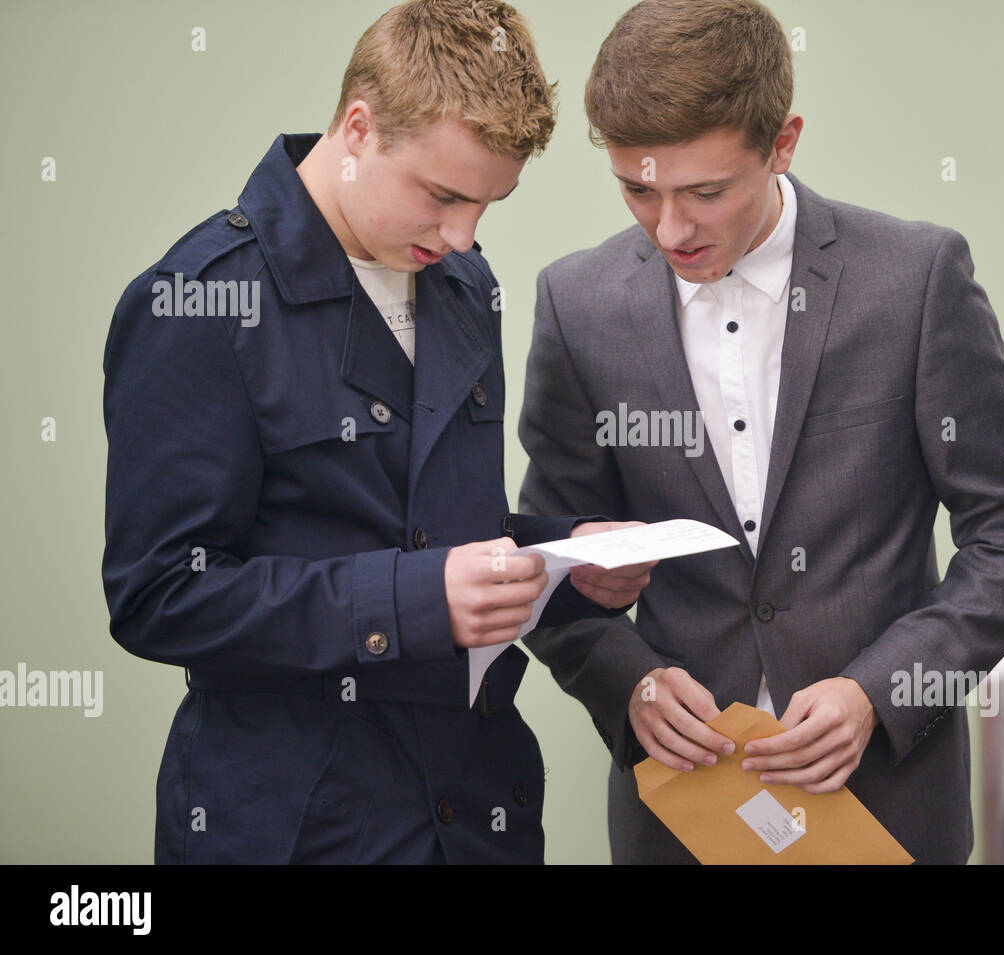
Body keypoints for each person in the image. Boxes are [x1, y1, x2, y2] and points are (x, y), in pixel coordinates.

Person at [518, 0, 1004, 864]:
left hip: (892, 812)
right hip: (678, 823)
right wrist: (630, 685)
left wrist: (878, 693)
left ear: (784, 144)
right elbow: (551, 568)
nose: (670, 228)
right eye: (637, 190)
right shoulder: (576, 305)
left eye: (704, 192)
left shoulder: (915, 281)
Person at [101, 0, 651, 865]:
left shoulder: (464, 284)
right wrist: (416, 598)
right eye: (442, 195)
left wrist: (570, 558)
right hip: (292, 824)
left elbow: (439, 533)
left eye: (488, 204)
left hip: (474, 815)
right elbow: (158, 596)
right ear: (357, 128)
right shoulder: (200, 301)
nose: (464, 235)